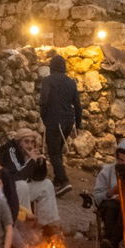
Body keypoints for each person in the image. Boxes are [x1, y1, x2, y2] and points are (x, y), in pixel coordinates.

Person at [1, 127, 62, 234]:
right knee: (22, 185)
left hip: (19, 189)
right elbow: (18, 176)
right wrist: (31, 161)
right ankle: (25, 227)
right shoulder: (11, 150)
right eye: (26, 142)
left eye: (32, 142)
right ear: (19, 142)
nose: (30, 145)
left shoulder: (28, 153)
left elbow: (38, 178)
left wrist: (40, 163)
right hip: (6, 191)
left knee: (47, 184)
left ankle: (47, 225)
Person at [39, 53, 82, 196]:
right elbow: (77, 105)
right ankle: (58, 179)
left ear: (51, 67)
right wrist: (78, 124)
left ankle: (64, 181)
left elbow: (44, 101)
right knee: (57, 150)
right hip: (68, 122)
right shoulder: (71, 82)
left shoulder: (48, 80)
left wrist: (44, 117)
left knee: (54, 153)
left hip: (54, 121)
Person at [90, 137, 125, 248]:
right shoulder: (107, 171)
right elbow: (96, 197)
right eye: (121, 160)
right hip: (110, 205)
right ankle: (114, 247)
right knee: (111, 206)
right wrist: (111, 192)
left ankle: (113, 245)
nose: (124, 164)